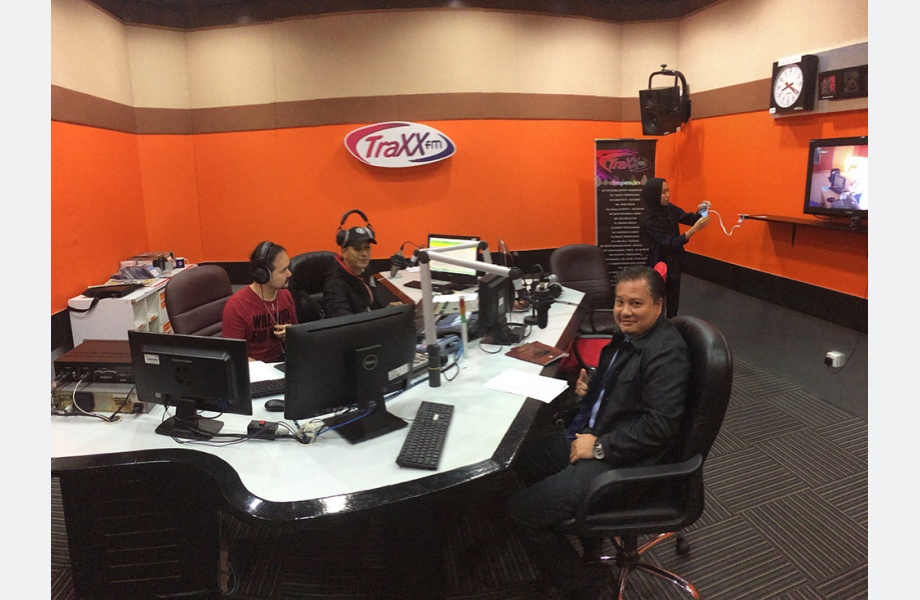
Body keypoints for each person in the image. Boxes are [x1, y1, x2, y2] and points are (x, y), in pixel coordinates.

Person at [507, 265, 691, 599]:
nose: (624, 311)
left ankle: (586, 586)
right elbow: (625, 393)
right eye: (620, 302)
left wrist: (599, 446)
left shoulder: (666, 353)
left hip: (624, 461)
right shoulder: (628, 338)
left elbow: (660, 427)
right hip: (594, 434)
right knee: (518, 458)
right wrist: (592, 389)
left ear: (658, 305)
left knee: (522, 513)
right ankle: (582, 534)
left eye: (636, 303)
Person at [638, 177, 710, 318]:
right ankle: (656, 323)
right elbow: (670, 243)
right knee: (658, 297)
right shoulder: (648, 221)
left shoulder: (669, 209)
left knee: (674, 296)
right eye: (663, 192)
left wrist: (704, 210)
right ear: (654, 195)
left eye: (668, 190)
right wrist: (694, 230)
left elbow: (690, 219)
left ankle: (672, 322)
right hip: (659, 261)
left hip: (674, 260)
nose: (667, 195)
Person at [222, 241, 298, 362]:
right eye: (283, 270)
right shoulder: (237, 306)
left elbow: (298, 339)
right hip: (253, 369)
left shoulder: (286, 296)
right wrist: (262, 368)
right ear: (263, 275)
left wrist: (291, 334)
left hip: (280, 363)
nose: (289, 273)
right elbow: (233, 355)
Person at [323, 217, 388, 317]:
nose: (364, 254)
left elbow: (373, 305)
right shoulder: (334, 283)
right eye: (358, 249)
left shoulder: (365, 270)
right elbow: (343, 320)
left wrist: (387, 311)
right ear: (344, 252)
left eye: (367, 248)